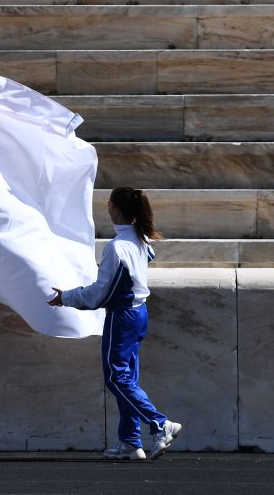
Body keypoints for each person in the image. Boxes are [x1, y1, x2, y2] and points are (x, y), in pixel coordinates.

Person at [48, 187, 182, 461]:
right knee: (127, 378)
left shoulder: (116, 248)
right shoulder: (140, 239)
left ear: (116, 210)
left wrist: (66, 297)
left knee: (116, 377)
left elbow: (99, 294)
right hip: (138, 313)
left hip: (122, 316)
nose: (107, 207)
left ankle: (160, 423)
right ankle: (131, 442)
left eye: (110, 204)